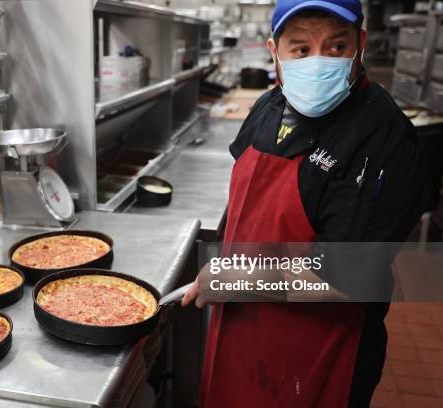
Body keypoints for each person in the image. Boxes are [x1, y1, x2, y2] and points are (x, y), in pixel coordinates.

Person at [182, 0, 428, 407]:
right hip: (242, 334)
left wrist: (236, 276)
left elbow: (347, 278)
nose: (318, 62)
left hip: (316, 358)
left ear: (360, 44)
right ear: (274, 51)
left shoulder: (382, 138)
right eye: (300, 49)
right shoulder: (269, 106)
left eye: (335, 47)